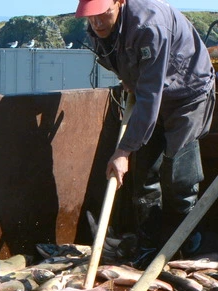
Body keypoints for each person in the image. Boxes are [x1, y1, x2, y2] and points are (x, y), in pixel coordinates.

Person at [76, 0, 215, 265]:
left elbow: (151, 96)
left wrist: (123, 151)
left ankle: (186, 245)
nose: (96, 22)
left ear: (120, 2)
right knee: (144, 177)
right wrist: (128, 78)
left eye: (103, 13)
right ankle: (148, 247)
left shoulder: (150, 26)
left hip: (188, 95)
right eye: (90, 16)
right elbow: (120, 63)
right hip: (149, 94)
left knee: (179, 177)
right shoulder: (98, 29)